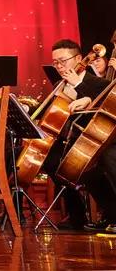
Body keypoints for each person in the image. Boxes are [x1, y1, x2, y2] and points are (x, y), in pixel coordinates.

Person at [40, 40, 116, 233]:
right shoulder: (59, 85)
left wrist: (80, 86)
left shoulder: (96, 82)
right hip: (73, 140)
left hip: (96, 140)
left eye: (63, 61)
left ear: (79, 59)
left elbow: (107, 100)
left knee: (93, 164)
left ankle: (112, 214)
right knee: (50, 159)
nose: (59, 66)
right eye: (55, 62)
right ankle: (76, 215)